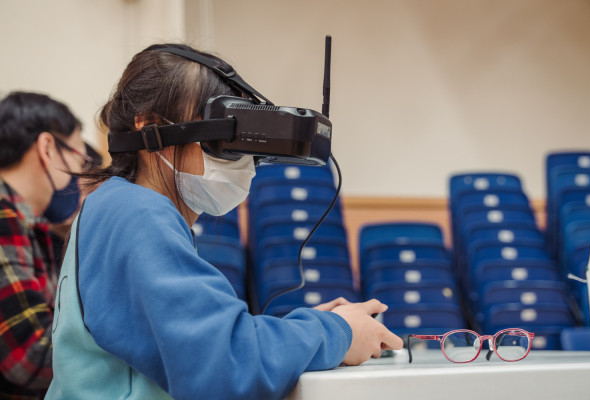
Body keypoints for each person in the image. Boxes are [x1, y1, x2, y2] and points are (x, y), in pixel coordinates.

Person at [45, 43, 403, 400]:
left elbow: (201, 348)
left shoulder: (115, 207)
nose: (244, 163)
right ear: (152, 130)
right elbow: (225, 367)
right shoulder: (134, 212)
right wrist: (337, 332)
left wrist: (303, 332)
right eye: (224, 140)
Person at [0, 91, 87, 399]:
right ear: (47, 148)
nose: (79, 175)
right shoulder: (4, 218)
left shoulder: (30, 224)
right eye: (79, 159)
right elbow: (30, 356)